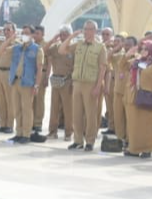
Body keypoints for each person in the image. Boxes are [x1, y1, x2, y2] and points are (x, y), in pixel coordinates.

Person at [59, 20, 107, 151]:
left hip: (90, 83)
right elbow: (62, 50)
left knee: (91, 114)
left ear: (95, 31)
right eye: (85, 29)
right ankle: (78, 140)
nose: (86, 31)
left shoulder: (100, 47)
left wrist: (98, 86)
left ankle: (90, 141)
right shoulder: (79, 44)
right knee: (77, 113)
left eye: (89, 29)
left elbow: (102, 68)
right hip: (77, 83)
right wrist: (71, 36)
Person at [121, 39, 152, 158]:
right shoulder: (136, 61)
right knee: (133, 125)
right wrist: (128, 54)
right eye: (141, 49)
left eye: (146, 49)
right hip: (133, 97)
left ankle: (147, 149)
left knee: (148, 125)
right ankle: (134, 149)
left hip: (148, 98)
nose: (143, 51)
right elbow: (122, 66)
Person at [8, 25, 43, 144]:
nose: (24, 35)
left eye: (27, 33)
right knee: (17, 109)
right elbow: (0, 51)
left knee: (26, 110)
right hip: (15, 81)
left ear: (32, 35)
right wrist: (10, 39)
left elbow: (39, 69)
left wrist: (37, 85)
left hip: (27, 83)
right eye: (22, 33)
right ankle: (18, 133)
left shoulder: (37, 49)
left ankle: (26, 134)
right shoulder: (17, 47)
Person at [44, 25, 74, 141]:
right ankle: (52, 131)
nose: (62, 37)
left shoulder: (73, 48)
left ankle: (68, 132)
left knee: (68, 108)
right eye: (61, 34)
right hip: (56, 80)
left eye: (65, 34)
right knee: (54, 108)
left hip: (68, 80)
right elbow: (44, 50)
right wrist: (52, 40)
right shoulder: (55, 47)